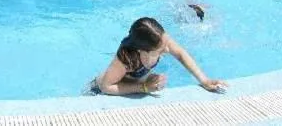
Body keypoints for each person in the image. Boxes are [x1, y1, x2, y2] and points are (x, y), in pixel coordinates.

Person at [89, 17, 225, 96]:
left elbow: (181, 53)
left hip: (134, 83)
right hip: (97, 91)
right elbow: (106, 87)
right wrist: (143, 87)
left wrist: (204, 80)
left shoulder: (159, 38)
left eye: (166, 43)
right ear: (143, 51)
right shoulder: (126, 58)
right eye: (160, 50)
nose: (167, 49)